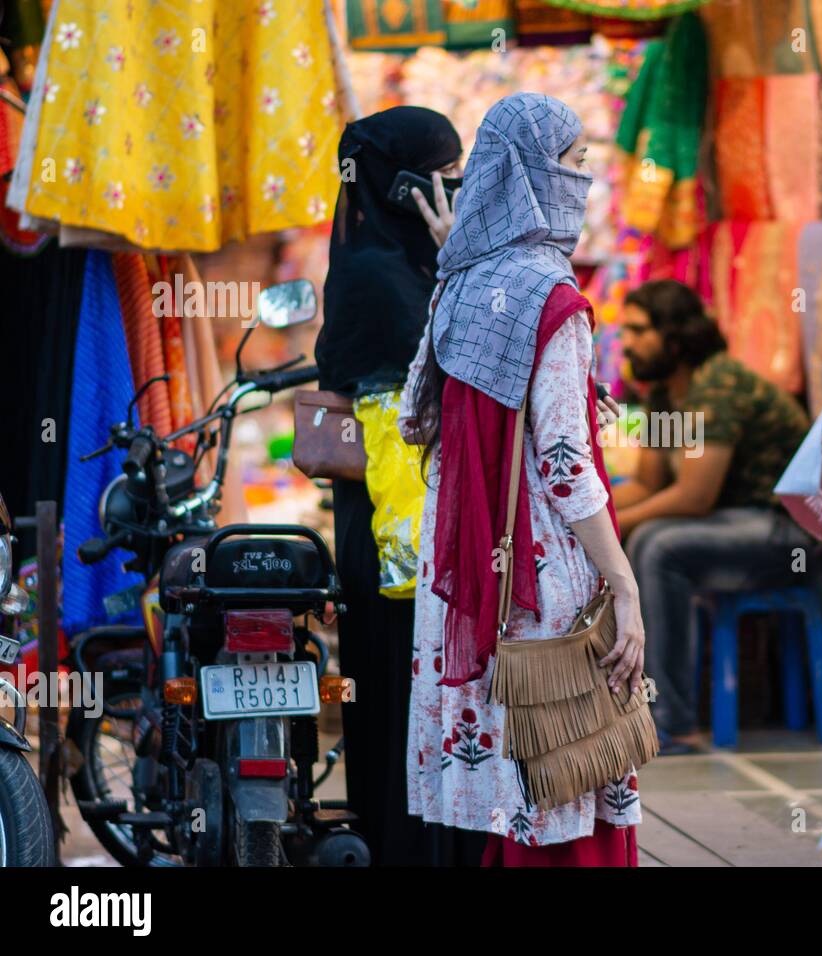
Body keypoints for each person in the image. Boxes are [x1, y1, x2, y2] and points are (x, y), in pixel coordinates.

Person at [401, 92, 645, 866]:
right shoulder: (554, 298)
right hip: (547, 578)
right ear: (534, 175)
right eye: (573, 164)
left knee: (518, 801)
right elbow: (567, 465)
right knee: (572, 786)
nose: (585, 181)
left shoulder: (458, 286)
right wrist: (626, 586)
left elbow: (416, 420)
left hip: (472, 582)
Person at [315, 106, 480, 865]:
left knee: (410, 694)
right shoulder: (388, 277)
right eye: (443, 175)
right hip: (401, 531)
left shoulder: (388, 257)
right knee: (407, 692)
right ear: (403, 183)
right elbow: (448, 382)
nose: (457, 187)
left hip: (398, 520)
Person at [613, 279, 817, 753]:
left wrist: (619, 525)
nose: (626, 343)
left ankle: (673, 722)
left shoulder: (717, 386)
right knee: (643, 536)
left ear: (675, 336)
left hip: (786, 531)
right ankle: (638, 705)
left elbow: (693, 497)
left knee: (657, 544)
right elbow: (648, 485)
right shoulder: (667, 394)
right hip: (731, 523)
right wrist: (586, 515)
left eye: (639, 331)